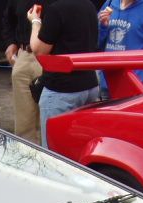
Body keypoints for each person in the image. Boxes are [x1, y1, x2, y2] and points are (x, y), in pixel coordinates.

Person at [27, 0, 100, 147]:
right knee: (81, 148)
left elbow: (39, 50)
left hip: (61, 89)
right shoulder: (89, 6)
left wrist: (35, 21)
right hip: (89, 85)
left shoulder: (56, 9)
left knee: (55, 154)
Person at [2, 0, 44, 144]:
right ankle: (25, 158)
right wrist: (10, 42)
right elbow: (8, 19)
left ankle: (50, 160)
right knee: (23, 123)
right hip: (24, 54)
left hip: (49, 54)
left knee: (47, 117)